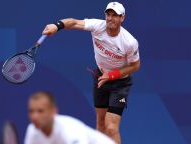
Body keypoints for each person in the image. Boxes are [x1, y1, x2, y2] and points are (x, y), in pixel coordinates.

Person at [42, 2, 140, 144]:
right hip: (100, 77)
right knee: (100, 123)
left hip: (119, 84)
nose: (110, 18)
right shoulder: (97, 25)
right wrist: (57, 26)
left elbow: (135, 66)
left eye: (115, 15)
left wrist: (112, 75)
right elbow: (74, 22)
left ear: (122, 18)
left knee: (111, 128)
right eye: (108, 14)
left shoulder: (129, 42)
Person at [24, 91, 115, 144]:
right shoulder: (32, 130)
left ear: (53, 111)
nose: (34, 116)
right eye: (31, 111)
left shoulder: (69, 129)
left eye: (40, 111)